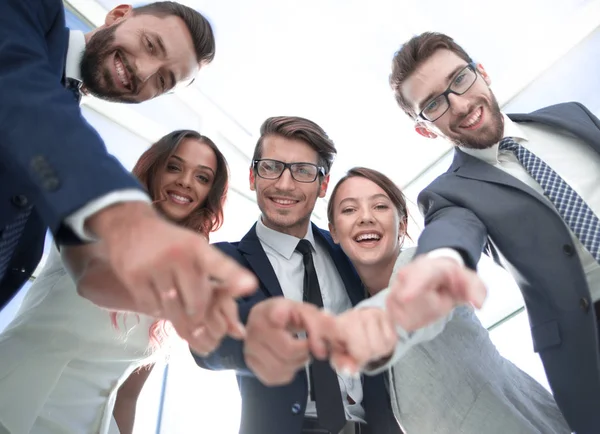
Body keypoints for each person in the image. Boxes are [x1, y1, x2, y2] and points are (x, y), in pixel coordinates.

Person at [0, 0, 256, 352]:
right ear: (119, 14)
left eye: (163, 81)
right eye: (151, 45)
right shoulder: (33, 18)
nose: (144, 72)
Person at [385, 31, 600, 433]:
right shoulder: (450, 194)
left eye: (460, 79)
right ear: (424, 128)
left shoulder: (571, 115)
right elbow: (451, 235)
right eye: (434, 103)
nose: (460, 104)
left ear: (481, 72)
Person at [0, 130, 236, 434]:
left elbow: (128, 395)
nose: (185, 182)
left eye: (202, 177)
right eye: (174, 167)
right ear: (154, 168)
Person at [325, 167, 570, 434]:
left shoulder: (419, 262)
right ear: (334, 232)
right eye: (349, 210)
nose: (365, 218)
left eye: (380, 206)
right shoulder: (354, 305)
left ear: (403, 224)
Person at [195, 116, 402, 434]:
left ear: (323, 185)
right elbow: (208, 346)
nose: (285, 184)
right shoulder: (223, 261)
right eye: (271, 167)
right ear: (253, 176)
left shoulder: (348, 252)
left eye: (303, 171)